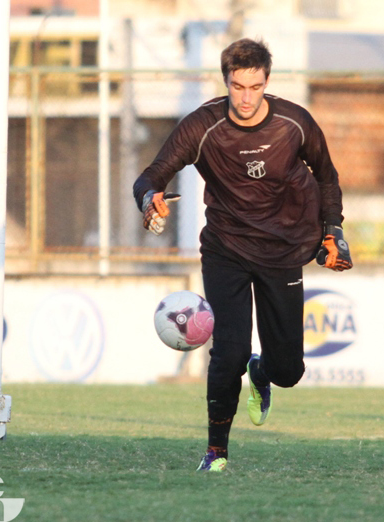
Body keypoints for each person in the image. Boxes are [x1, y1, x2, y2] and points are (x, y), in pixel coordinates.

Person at [133, 37, 353, 472]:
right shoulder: (202, 126)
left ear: (266, 82)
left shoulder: (295, 123)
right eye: (238, 87)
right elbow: (152, 175)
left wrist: (334, 230)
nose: (246, 97)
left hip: (283, 249)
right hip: (226, 249)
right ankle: (216, 452)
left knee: (288, 372)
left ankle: (262, 371)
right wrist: (148, 199)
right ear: (226, 82)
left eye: (255, 87)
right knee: (227, 353)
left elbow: (327, 177)